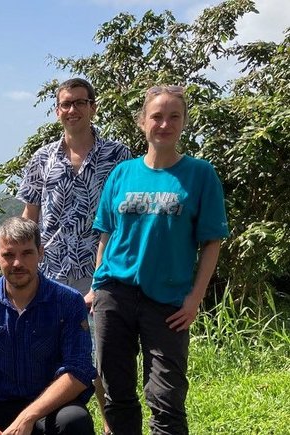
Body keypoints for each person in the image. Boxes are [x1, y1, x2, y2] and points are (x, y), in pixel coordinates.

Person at [91, 85, 229, 435]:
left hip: (167, 300)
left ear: (183, 122)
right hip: (115, 294)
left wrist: (195, 299)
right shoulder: (122, 173)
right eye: (157, 116)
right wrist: (96, 285)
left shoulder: (200, 174)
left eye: (173, 116)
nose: (164, 124)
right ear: (142, 122)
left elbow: (212, 241)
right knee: (117, 393)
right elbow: (106, 234)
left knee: (166, 398)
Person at [18, 78, 131, 434]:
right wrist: (22, 261)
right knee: (51, 352)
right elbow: (29, 216)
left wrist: (106, 275)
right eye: (66, 104)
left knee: (103, 356)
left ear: (93, 106)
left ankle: (113, 426)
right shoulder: (42, 158)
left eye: (80, 103)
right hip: (50, 269)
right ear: (57, 111)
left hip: (100, 268)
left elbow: (128, 220)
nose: (72, 110)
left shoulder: (118, 157)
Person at [0, 217, 96, 435]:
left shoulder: (68, 302)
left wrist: (28, 417)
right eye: (8, 255)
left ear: (40, 253)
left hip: (49, 405)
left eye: (27, 253)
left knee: (74, 421)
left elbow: (80, 370)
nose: (17, 263)